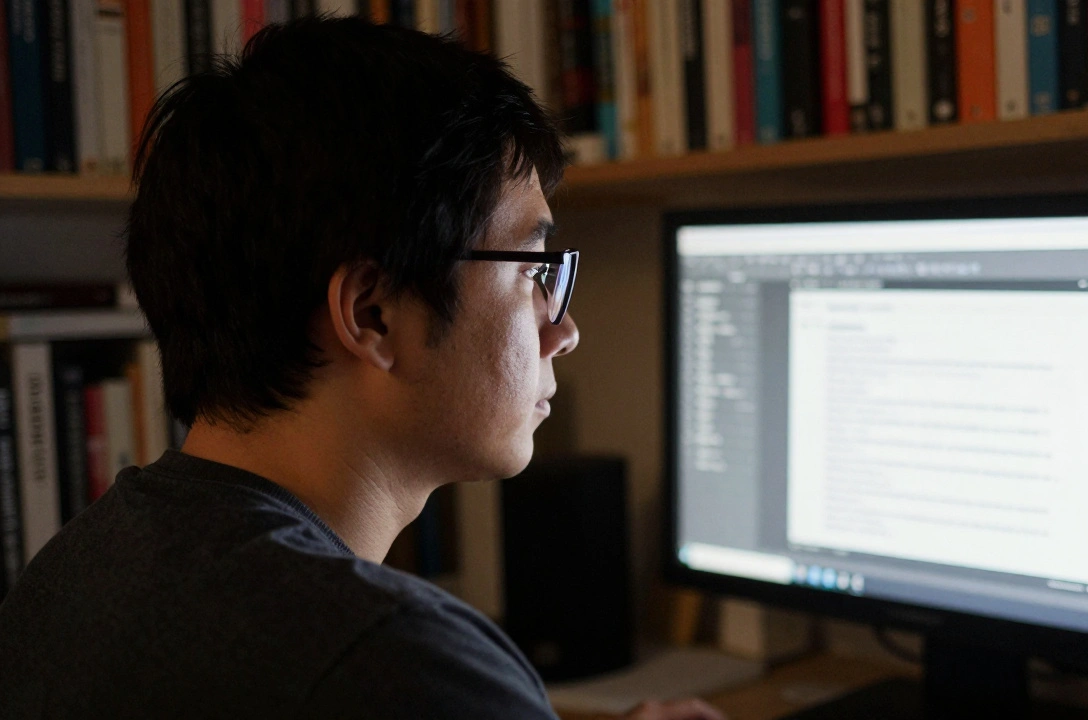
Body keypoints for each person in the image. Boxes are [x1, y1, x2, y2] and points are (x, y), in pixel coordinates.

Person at [0, 17, 723, 720]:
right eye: (535, 270)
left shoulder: (71, 575)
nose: (563, 330)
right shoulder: (398, 663)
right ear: (372, 313)